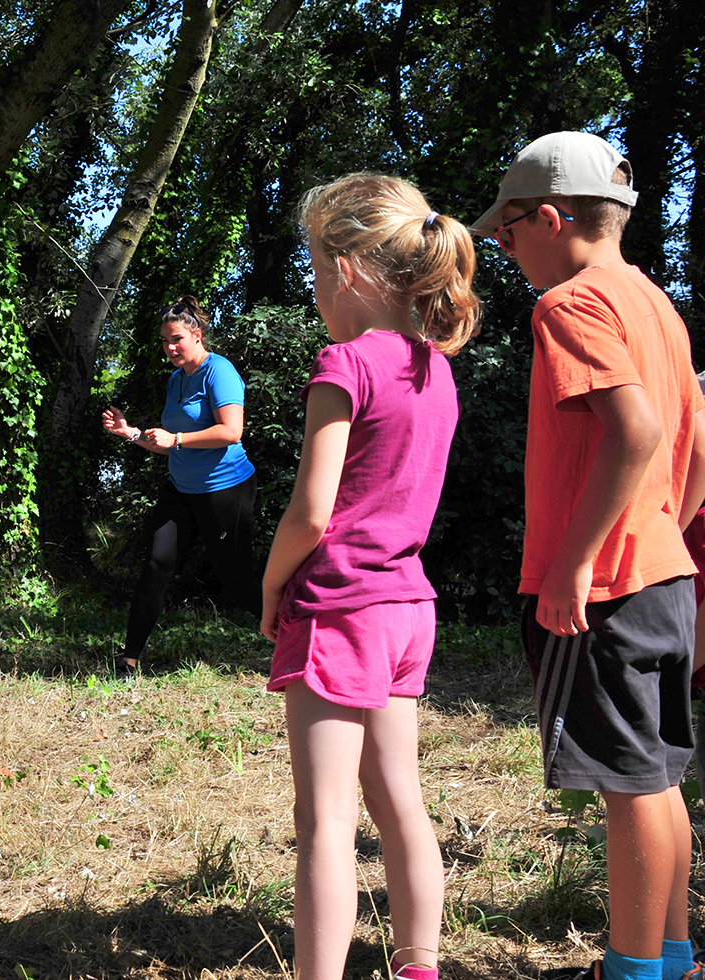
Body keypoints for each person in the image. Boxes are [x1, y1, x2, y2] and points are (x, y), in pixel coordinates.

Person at [472, 132, 705, 980]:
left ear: (549, 217)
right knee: (659, 776)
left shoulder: (569, 305)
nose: (505, 249)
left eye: (507, 233)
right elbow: (696, 446)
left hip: (605, 585)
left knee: (628, 784)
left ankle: (635, 972)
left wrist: (576, 561)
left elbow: (635, 432)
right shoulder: (655, 304)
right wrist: (665, 530)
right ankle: (670, 957)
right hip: (666, 570)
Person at [261, 173, 480, 980]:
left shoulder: (344, 361)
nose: (317, 290)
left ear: (348, 269)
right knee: (399, 801)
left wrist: (270, 585)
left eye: (317, 271)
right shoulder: (438, 369)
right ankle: (418, 966)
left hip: (340, 605)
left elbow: (312, 512)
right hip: (407, 609)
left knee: (324, 819)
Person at [101, 296, 260, 681]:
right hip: (181, 488)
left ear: (197, 335)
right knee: (156, 564)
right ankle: (130, 661)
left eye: (177, 339)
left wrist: (177, 440)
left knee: (239, 576)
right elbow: (167, 439)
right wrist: (132, 434)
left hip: (226, 489)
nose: (170, 347)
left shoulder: (218, 372)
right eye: (164, 341)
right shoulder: (176, 379)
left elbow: (231, 431)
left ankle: (302, 643)